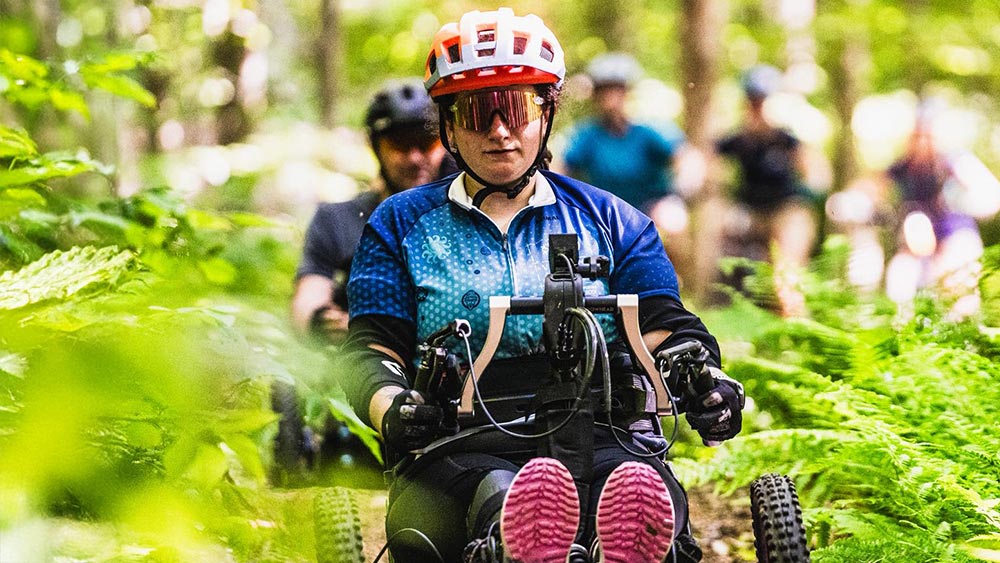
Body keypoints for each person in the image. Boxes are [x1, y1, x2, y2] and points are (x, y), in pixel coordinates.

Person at [339, 8, 744, 563]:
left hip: (604, 431)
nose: (500, 130)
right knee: (490, 497)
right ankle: (513, 536)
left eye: (517, 108)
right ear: (449, 125)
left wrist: (702, 378)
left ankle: (608, 544)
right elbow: (371, 348)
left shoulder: (614, 220)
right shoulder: (399, 224)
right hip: (459, 440)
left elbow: (661, 324)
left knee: (633, 492)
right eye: (480, 113)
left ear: (547, 113)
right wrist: (394, 407)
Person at [291, 78, 454, 340]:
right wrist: (323, 322)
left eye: (426, 143)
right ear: (376, 147)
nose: (414, 157)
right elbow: (309, 297)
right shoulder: (335, 220)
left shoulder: (467, 215)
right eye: (399, 145)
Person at [562, 53, 693, 284]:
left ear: (627, 93)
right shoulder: (588, 136)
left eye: (616, 90)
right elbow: (561, 166)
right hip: (604, 214)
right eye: (605, 91)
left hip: (650, 208)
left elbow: (685, 157)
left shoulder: (647, 132)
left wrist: (684, 185)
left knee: (674, 221)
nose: (611, 99)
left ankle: (675, 283)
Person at [711, 64, 818, 316]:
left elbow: (814, 170)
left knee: (785, 271)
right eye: (753, 102)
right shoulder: (737, 140)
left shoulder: (788, 140)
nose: (758, 108)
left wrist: (812, 184)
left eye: (762, 101)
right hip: (749, 212)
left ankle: (793, 316)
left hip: (785, 210)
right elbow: (707, 163)